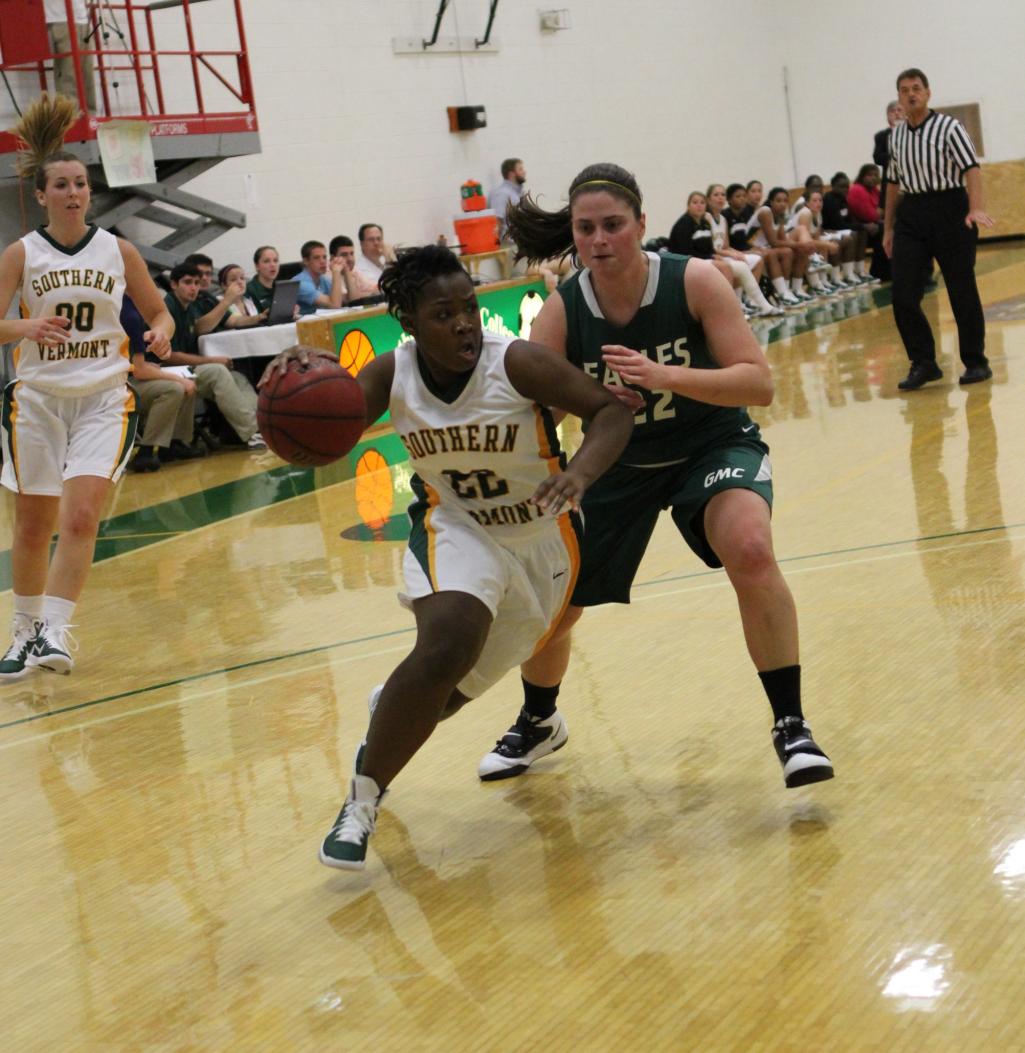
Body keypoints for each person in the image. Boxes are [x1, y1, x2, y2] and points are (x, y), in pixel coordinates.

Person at [261, 245, 634, 870]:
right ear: (407, 320)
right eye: (443, 313)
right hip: (453, 525)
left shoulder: (516, 363)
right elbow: (327, 434)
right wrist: (293, 375)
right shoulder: (391, 374)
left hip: (540, 539)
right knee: (450, 638)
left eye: (469, 307)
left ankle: (394, 710)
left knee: (447, 691)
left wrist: (582, 474)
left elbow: (611, 412)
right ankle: (362, 801)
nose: (464, 322)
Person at [480, 162, 834, 790]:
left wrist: (665, 376)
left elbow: (760, 381)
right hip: (616, 464)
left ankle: (791, 726)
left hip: (709, 444)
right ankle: (540, 720)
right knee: (556, 602)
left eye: (612, 225)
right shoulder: (562, 311)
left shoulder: (694, 280)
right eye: (585, 228)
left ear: (641, 224)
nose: (598, 239)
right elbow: (542, 415)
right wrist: (587, 402)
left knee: (750, 547)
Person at [0, 94, 173, 679]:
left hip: (104, 397)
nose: (74, 192)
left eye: (81, 184)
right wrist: (25, 325)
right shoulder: (20, 254)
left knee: (80, 519)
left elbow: (159, 314)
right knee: (32, 523)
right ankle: (23, 632)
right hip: (38, 400)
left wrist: (162, 334)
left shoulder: (118, 251)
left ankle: (53, 627)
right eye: (63, 185)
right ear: (42, 194)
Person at [883, 67, 994, 390]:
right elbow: (892, 183)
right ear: (899, 97)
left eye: (916, 88)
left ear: (928, 92)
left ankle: (976, 361)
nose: (911, 94)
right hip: (912, 212)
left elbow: (971, 169)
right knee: (903, 293)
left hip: (949, 209)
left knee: (962, 289)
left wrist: (975, 207)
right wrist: (888, 228)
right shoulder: (896, 135)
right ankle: (924, 362)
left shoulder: (949, 128)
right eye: (904, 90)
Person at [162, 261, 264, 448]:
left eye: (196, 283)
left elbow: (204, 325)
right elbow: (169, 357)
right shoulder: (167, 308)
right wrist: (211, 360)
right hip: (165, 371)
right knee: (217, 371)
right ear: (174, 284)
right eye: (187, 282)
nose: (193, 288)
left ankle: (264, 426)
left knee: (237, 377)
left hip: (186, 369)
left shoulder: (191, 307)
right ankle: (251, 433)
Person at [122, 295, 199, 472]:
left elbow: (135, 364)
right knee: (174, 388)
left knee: (184, 385)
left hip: (126, 377)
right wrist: (179, 379)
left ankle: (175, 443)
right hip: (120, 384)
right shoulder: (128, 314)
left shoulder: (133, 313)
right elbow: (139, 371)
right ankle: (146, 451)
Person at [705, 183, 783, 317]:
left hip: (722, 254)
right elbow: (709, 248)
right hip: (710, 257)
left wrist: (737, 253)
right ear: (709, 199)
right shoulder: (707, 217)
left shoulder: (723, 219)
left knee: (757, 260)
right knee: (739, 264)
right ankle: (741, 304)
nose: (720, 198)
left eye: (722, 194)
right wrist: (733, 255)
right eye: (716, 195)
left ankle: (749, 301)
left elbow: (725, 246)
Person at [44, 0, 97, 112]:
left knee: (86, 74)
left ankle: (90, 118)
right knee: (68, 75)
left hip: (81, 20)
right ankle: (72, 120)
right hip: (60, 19)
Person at [847, 164, 889, 282]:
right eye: (869, 175)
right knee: (883, 231)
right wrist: (880, 216)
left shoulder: (874, 190)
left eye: (876, 175)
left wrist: (881, 217)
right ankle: (879, 272)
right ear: (862, 176)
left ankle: (889, 270)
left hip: (872, 226)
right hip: (859, 229)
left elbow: (884, 210)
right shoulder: (857, 189)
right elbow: (870, 215)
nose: (873, 178)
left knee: (890, 229)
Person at [328, 235, 382, 303]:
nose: (350, 259)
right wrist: (370, 294)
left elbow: (377, 289)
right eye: (344, 255)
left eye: (352, 253)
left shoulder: (354, 271)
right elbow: (351, 298)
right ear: (333, 258)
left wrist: (371, 293)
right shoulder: (328, 275)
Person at [294, 240, 344, 315]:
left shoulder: (323, 279)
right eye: (317, 258)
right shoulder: (300, 283)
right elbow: (335, 305)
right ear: (306, 261)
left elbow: (348, 300)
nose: (323, 261)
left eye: (324, 257)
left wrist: (346, 271)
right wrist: (336, 272)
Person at [488, 158, 528, 241]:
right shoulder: (501, 194)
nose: (524, 172)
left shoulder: (519, 193)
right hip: (509, 245)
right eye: (520, 169)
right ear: (511, 174)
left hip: (522, 242)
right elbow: (497, 222)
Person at [245, 245, 280, 315]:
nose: (273, 265)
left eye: (275, 261)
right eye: (266, 261)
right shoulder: (248, 290)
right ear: (257, 266)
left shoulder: (282, 287)